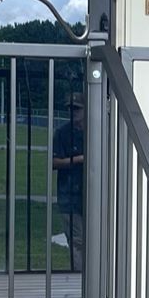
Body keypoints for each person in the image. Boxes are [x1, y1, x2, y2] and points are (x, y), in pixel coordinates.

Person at [51, 97, 85, 272]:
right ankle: (79, 278)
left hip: (93, 198)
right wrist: (78, 160)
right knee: (77, 241)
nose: (72, 112)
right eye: (70, 109)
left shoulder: (98, 131)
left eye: (77, 109)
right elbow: (54, 162)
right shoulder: (62, 133)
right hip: (69, 198)